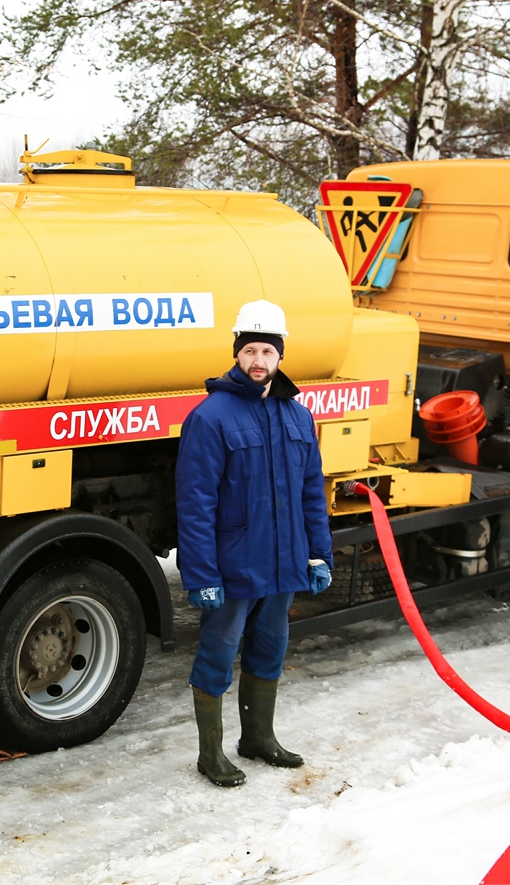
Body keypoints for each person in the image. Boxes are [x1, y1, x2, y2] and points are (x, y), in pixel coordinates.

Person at [174, 300, 333, 787]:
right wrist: (201, 576)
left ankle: (258, 739)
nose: (258, 360)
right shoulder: (211, 417)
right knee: (218, 656)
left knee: (270, 650)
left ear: (281, 355)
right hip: (235, 566)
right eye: (250, 351)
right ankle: (210, 754)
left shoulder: (298, 416)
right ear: (237, 354)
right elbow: (194, 503)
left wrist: (318, 553)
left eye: (267, 350)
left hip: (284, 564)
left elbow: (311, 491)